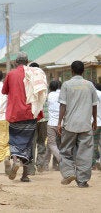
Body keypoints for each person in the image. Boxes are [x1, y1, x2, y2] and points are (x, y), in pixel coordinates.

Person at [2, 52, 46, 182]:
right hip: (30, 113)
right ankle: (25, 175)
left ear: (16, 62)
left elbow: (4, 91)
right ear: (27, 61)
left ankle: (15, 160)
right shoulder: (34, 74)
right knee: (28, 143)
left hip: (15, 114)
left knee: (15, 140)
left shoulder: (11, 74)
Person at [57, 60, 98, 188]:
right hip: (85, 125)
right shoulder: (90, 85)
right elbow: (94, 104)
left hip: (70, 124)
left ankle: (69, 173)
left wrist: (59, 122)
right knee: (85, 153)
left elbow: (63, 105)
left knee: (65, 151)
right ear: (83, 71)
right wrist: (95, 120)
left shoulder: (66, 85)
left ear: (72, 71)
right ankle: (82, 181)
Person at [28, 62, 48, 175]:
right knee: (41, 142)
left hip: (33, 117)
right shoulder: (44, 81)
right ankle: (40, 164)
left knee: (32, 142)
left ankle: (31, 168)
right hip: (44, 118)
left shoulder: (28, 82)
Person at [44, 80, 62, 171]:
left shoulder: (50, 95)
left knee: (51, 144)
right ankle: (49, 165)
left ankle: (61, 160)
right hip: (62, 123)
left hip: (52, 123)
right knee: (57, 145)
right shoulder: (63, 95)